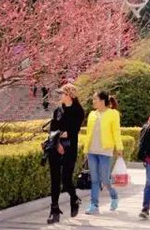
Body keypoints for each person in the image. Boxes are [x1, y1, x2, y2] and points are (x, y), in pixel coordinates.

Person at [46, 83, 85, 224]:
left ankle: (74, 198)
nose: (60, 96)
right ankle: (54, 210)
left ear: (69, 95)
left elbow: (72, 132)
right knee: (54, 180)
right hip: (55, 148)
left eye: (62, 93)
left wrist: (61, 135)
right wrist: (57, 143)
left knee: (66, 180)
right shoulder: (58, 110)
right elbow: (52, 130)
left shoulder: (78, 111)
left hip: (69, 149)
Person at [84, 91, 124, 215]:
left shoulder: (113, 114)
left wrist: (119, 147)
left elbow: (116, 131)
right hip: (92, 151)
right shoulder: (91, 114)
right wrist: (86, 150)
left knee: (105, 180)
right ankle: (94, 205)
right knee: (95, 179)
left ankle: (114, 196)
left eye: (95, 99)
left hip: (105, 151)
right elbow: (89, 133)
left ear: (102, 101)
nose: (93, 101)